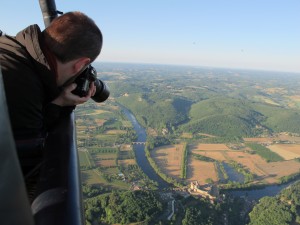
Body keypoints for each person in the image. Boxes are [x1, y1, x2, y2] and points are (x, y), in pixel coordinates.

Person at [0, 12, 102, 169]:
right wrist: (59, 105)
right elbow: (26, 163)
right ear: (81, 64)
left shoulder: (12, 49)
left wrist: (59, 101)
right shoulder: (22, 83)